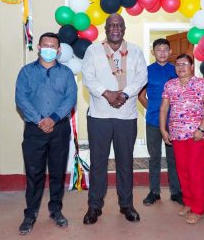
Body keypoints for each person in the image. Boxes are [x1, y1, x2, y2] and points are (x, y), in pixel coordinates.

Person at [81, 13, 147, 224]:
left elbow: (141, 77)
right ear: (106, 28)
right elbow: (88, 77)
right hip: (99, 115)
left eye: (119, 25)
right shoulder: (93, 50)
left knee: (125, 162)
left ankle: (126, 205)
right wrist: (107, 93)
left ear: (124, 28)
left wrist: (125, 94)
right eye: (111, 25)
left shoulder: (135, 51)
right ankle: (94, 207)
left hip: (126, 116)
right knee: (98, 162)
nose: (115, 28)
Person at [15, 32, 77, 235]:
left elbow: (70, 98)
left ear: (59, 51)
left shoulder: (66, 73)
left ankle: (55, 211)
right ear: (39, 48)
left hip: (59, 128)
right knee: (34, 174)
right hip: (34, 128)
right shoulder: (26, 72)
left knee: (58, 173)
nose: (49, 49)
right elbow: (21, 99)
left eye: (53, 46)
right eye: (46, 45)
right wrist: (40, 119)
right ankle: (30, 214)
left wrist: (53, 118)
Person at [159, 53, 204, 224]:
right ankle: (188, 203)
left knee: (196, 171)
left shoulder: (202, 84)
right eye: (177, 64)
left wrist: (201, 128)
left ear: (192, 66)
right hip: (176, 134)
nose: (180, 67)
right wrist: (163, 129)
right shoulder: (170, 85)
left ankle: (198, 209)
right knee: (182, 170)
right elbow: (164, 109)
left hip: (196, 135)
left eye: (184, 64)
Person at [138, 38, 183, 206]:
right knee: (154, 157)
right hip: (153, 121)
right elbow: (141, 96)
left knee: (174, 159)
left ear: (170, 52)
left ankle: (176, 192)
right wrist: (153, 109)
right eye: (159, 49)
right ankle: (154, 191)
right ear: (153, 52)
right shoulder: (146, 71)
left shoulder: (177, 70)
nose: (162, 52)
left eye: (165, 49)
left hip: (175, 123)